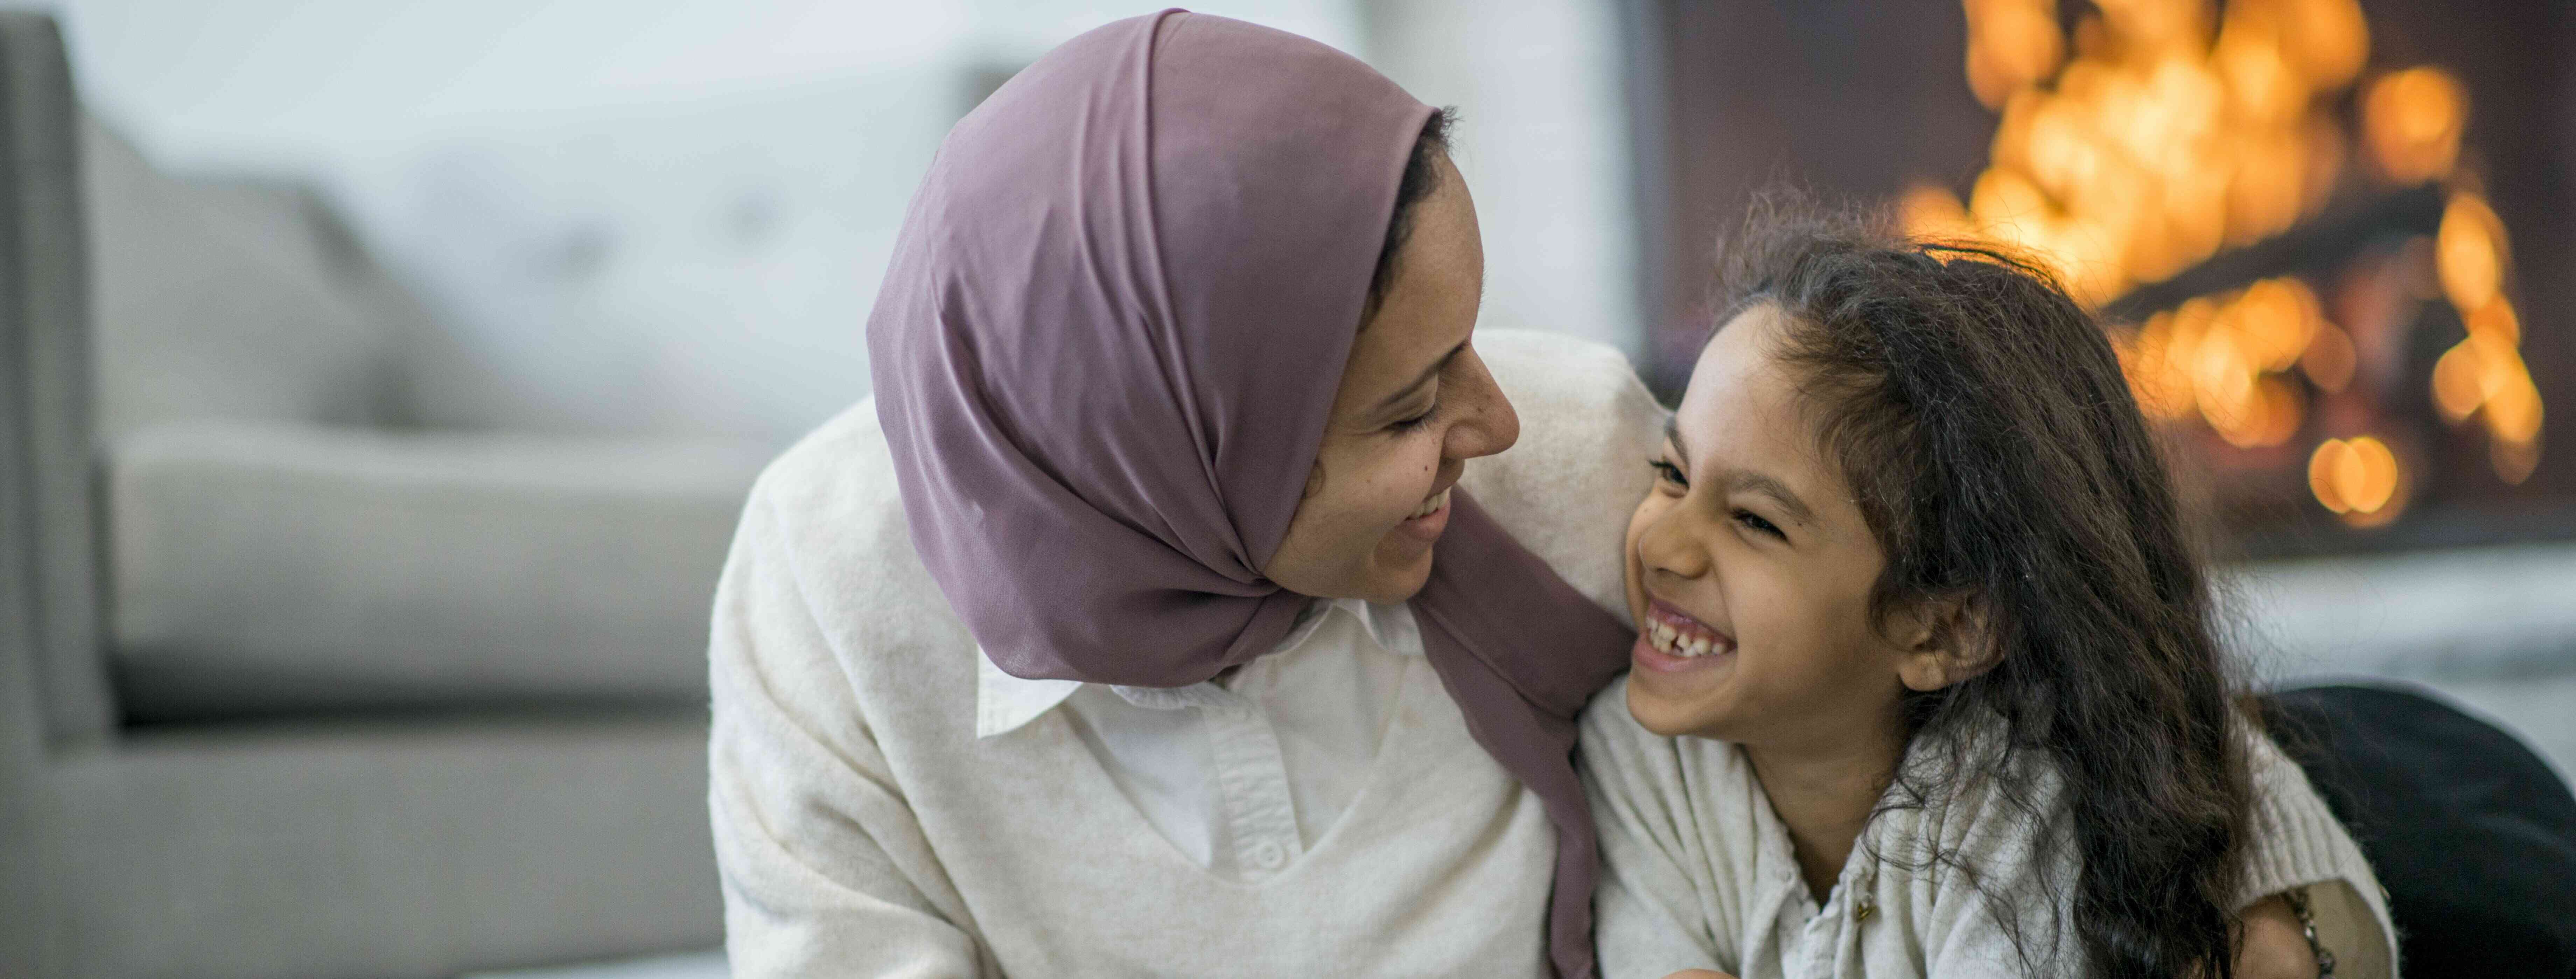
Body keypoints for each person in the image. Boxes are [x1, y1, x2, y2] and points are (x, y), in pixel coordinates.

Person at [706, 10, 1661, 977]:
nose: (1499, 424)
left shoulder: (1590, 469)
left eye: (1472, 337)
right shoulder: (828, 579)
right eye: (1408, 412)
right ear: (1174, 458)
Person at [1579, 204, 2400, 979]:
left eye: (1755, 523)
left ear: (1945, 628)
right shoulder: (1639, 756)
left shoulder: (2012, 812)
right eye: (1670, 472)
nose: (1664, 543)